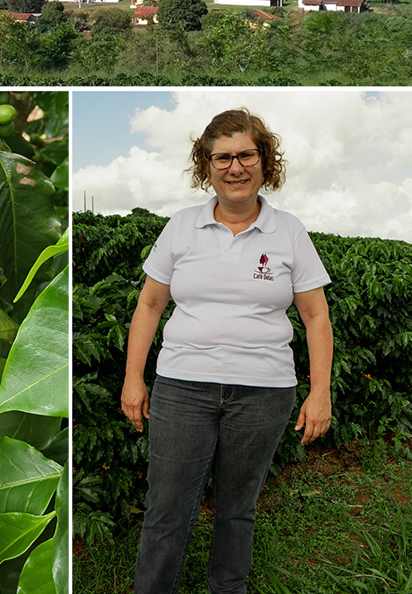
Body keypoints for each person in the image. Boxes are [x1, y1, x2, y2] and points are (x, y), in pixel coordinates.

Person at [121, 108, 333, 594]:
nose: (234, 168)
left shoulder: (289, 232)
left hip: (264, 394)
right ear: (206, 166)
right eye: (222, 158)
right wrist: (134, 378)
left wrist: (319, 392)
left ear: (265, 162)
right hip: (183, 388)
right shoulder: (181, 227)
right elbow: (151, 304)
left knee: (238, 507)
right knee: (167, 508)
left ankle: (228, 588)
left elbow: (316, 316)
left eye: (246, 155)